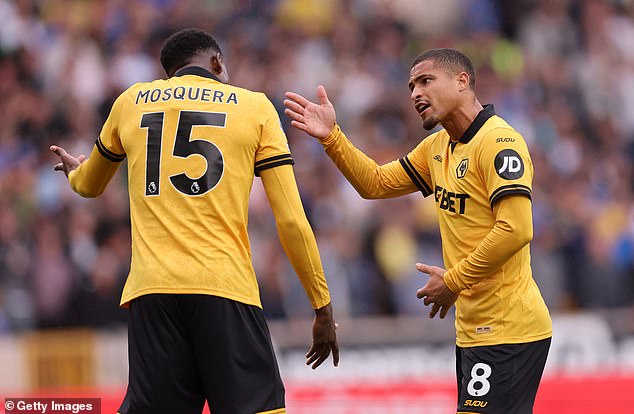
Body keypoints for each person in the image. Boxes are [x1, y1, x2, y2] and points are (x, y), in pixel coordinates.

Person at [51, 28, 339, 414]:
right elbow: (291, 220)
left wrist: (75, 173)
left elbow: (89, 185)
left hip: (152, 293)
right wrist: (321, 306)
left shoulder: (131, 102)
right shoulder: (254, 108)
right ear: (216, 62)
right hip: (225, 288)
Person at [284, 48, 551, 414]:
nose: (415, 93)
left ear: (462, 81)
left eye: (426, 81)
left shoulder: (499, 142)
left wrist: (453, 281)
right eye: (411, 86)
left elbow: (516, 229)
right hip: (474, 329)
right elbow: (376, 183)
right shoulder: (437, 148)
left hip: (509, 328)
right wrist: (332, 137)